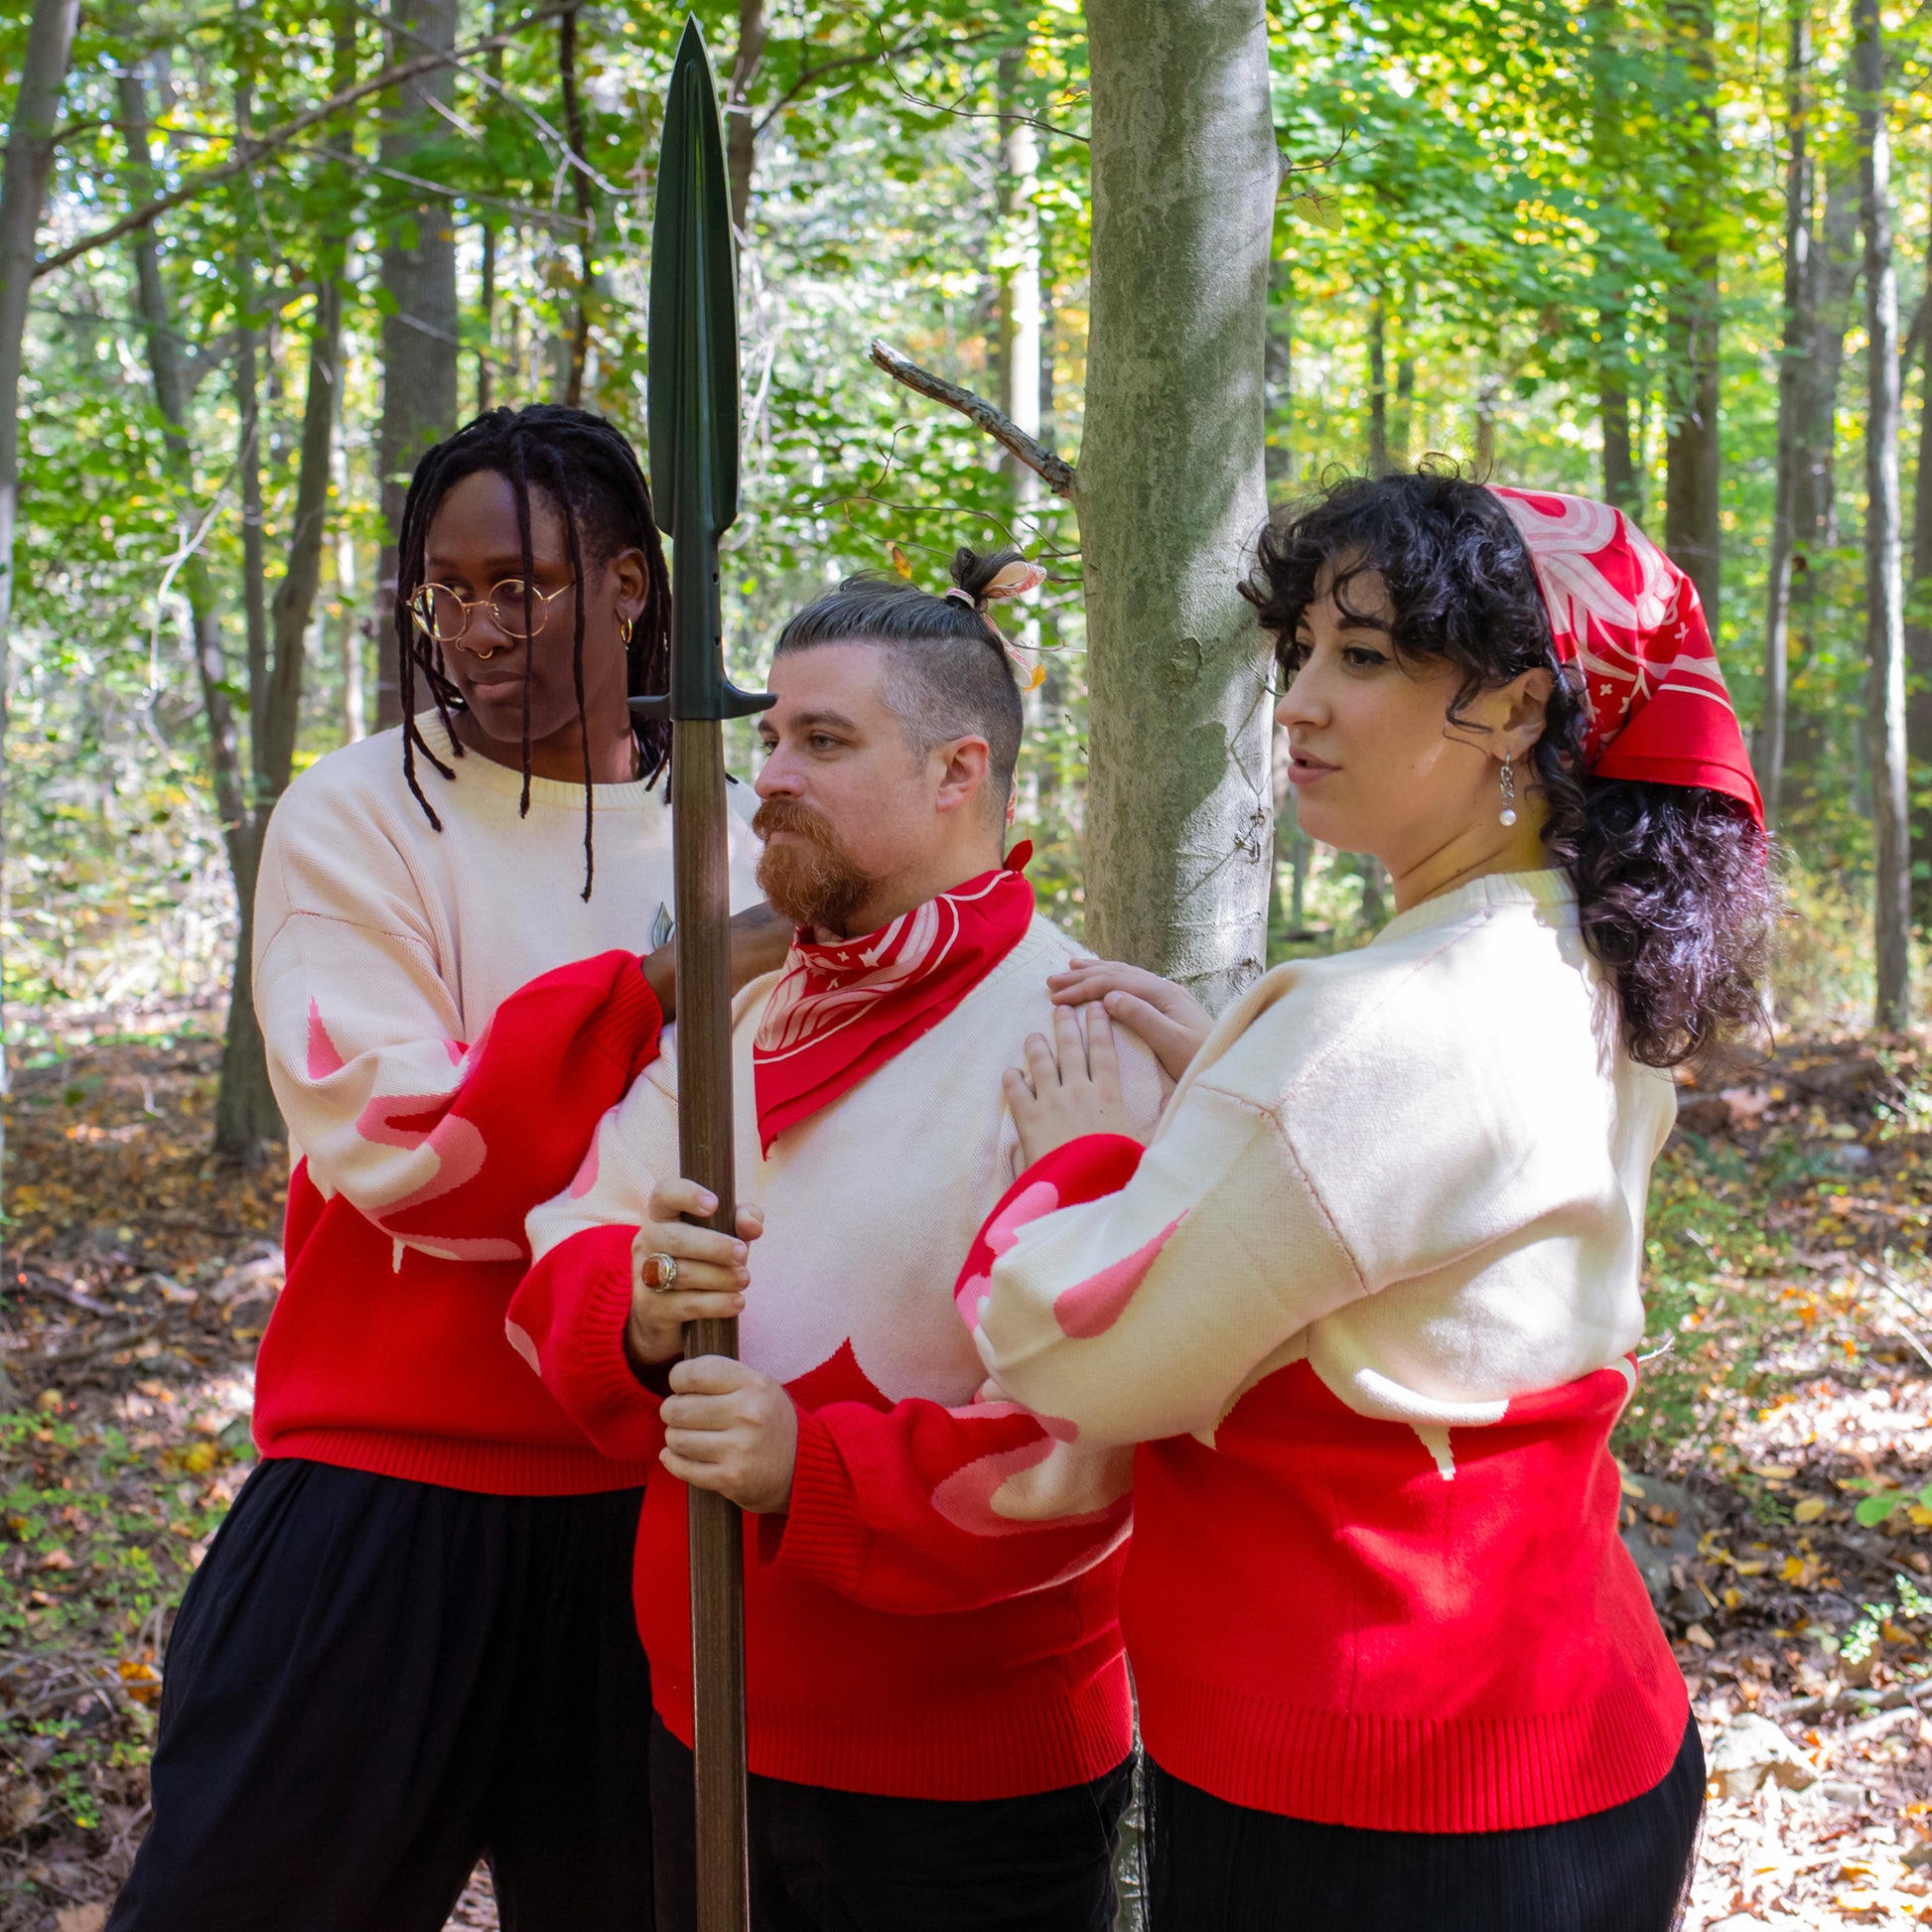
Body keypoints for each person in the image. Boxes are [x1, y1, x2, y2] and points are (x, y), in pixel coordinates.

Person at [957, 473, 1773, 1932]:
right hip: (1578, 1745)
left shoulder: (1373, 1019)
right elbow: (1417, 1247)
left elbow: (1080, 1353)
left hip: (1369, 1805)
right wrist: (1227, 1070)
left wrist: (1077, 1158)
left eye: (1367, 655)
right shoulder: (1587, 960)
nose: (1299, 705)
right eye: (1299, 653)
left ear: (1518, 710)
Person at [110, 405, 783, 1932]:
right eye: (449, 591)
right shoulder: (356, 817)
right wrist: (663, 988)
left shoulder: (735, 837)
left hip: (652, 1492)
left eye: (525, 587)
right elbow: (411, 1156)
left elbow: (780, 1153)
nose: (480, 630)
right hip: (384, 1485)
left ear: (627, 584)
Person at [507, 549, 1167, 1932]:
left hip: (965, 1793)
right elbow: (568, 1222)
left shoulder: (1082, 1043)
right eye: (768, 740)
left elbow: (1099, 1439)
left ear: (955, 772)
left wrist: (812, 1469)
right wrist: (632, 1309)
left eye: (822, 739)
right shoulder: (745, 1019)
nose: (772, 778)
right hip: (706, 1726)